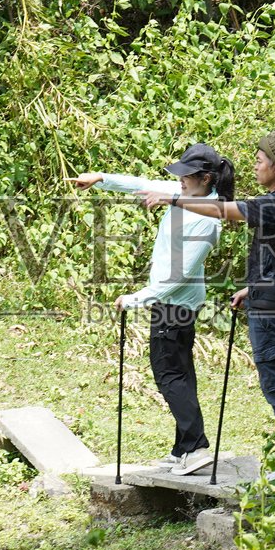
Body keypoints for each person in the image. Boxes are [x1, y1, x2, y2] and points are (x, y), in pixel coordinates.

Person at [69, 144, 236, 473]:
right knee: (180, 375)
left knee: (169, 376)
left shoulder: (208, 217)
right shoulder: (186, 193)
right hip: (173, 302)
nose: (180, 180)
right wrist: (100, 178)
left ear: (205, 178)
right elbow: (141, 184)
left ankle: (196, 448)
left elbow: (180, 274)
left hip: (174, 304)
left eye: (186, 175)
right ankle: (182, 448)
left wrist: (136, 298)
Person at [142, 131, 275, 449]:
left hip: (273, 317)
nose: (255, 167)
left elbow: (222, 210)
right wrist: (253, 288)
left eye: (259, 161)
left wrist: (172, 199)